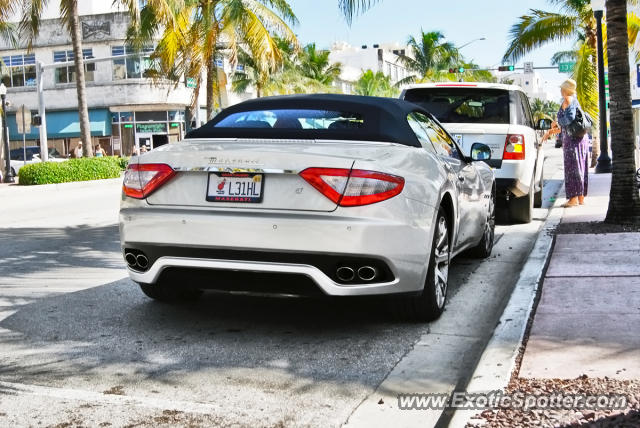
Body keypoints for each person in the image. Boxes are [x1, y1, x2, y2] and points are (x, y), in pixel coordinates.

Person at [542, 79, 589, 207]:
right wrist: (551, 131)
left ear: (565, 90)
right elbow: (567, 125)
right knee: (580, 167)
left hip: (572, 141)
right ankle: (580, 198)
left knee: (572, 168)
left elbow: (569, 119)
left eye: (561, 88)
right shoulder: (575, 100)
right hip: (580, 138)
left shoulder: (567, 100)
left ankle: (573, 199)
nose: (560, 90)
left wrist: (557, 122)